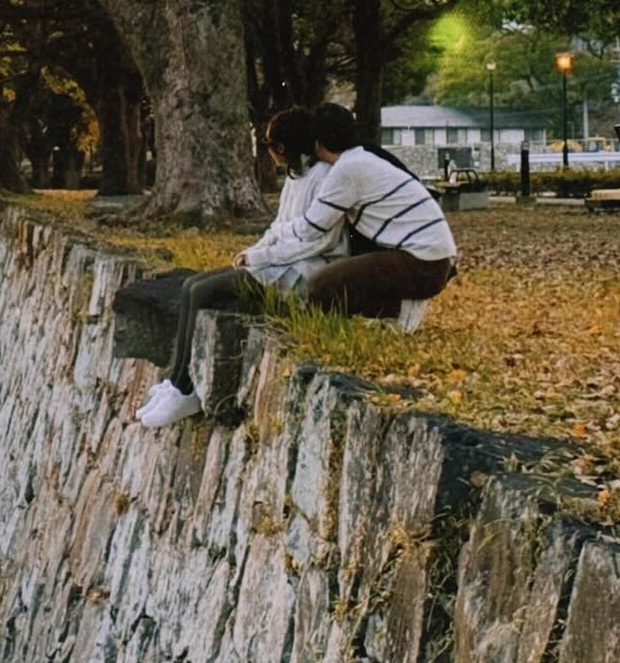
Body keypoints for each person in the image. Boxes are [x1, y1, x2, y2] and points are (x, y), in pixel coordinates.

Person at [137, 106, 348, 429]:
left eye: (269, 145)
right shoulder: (295, 178)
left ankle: (183, 390)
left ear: (281, 148)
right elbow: (279, 227)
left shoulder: (324, 179)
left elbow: (318, 241)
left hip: (300, 272)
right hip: (279, 263)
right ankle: (174, 381)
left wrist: (262, 258)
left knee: (203, 291)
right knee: (191, 286)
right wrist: (254, 250)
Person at [243, 102, 457, 325]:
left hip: (423, 263)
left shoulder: (347, 170)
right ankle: (387, 309)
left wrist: (267, 246)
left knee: (319, 285)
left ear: (318, 142)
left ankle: (394, 308)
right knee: (332, 279)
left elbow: (313, 228)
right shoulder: (362, 158)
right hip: (432, 258)